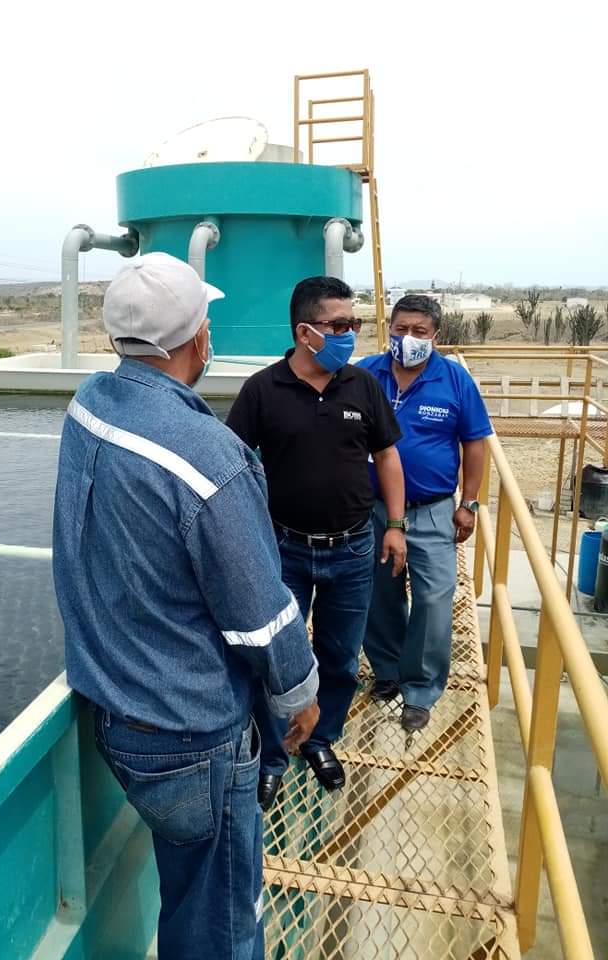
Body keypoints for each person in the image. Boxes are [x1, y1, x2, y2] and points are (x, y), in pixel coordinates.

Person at [52, 253, 319, 960]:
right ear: (197, 339)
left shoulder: (90, 403)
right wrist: (299, 697)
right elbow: (259, 616)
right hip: (192, 738)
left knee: (192, 900)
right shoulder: (210, 457)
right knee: (222, 925)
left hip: (118, 713)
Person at [226, 276, 406, 812]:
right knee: (277, 659)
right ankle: (273, 758)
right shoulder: (262, 390)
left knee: (340, 656)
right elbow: (233, 464)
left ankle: (321, 739)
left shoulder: (362, 386)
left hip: (353, 549)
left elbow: (387, 456)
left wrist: (395, 524)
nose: (351, 334)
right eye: (340, 325)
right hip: (284, 550)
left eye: (355, 323)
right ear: (305, 332)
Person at [357, 294, 492, 732]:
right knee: (380, 593)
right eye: (401, 329)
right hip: (374, 509)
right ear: (389, 329)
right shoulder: (365, 374)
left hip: (433, 511)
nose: (408, 338)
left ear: (435, 335)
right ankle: (388, 670)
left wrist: (469, 502)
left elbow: (475, 443)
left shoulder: (454, 379)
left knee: (433, 600)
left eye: (419, 331)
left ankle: (420, 688)